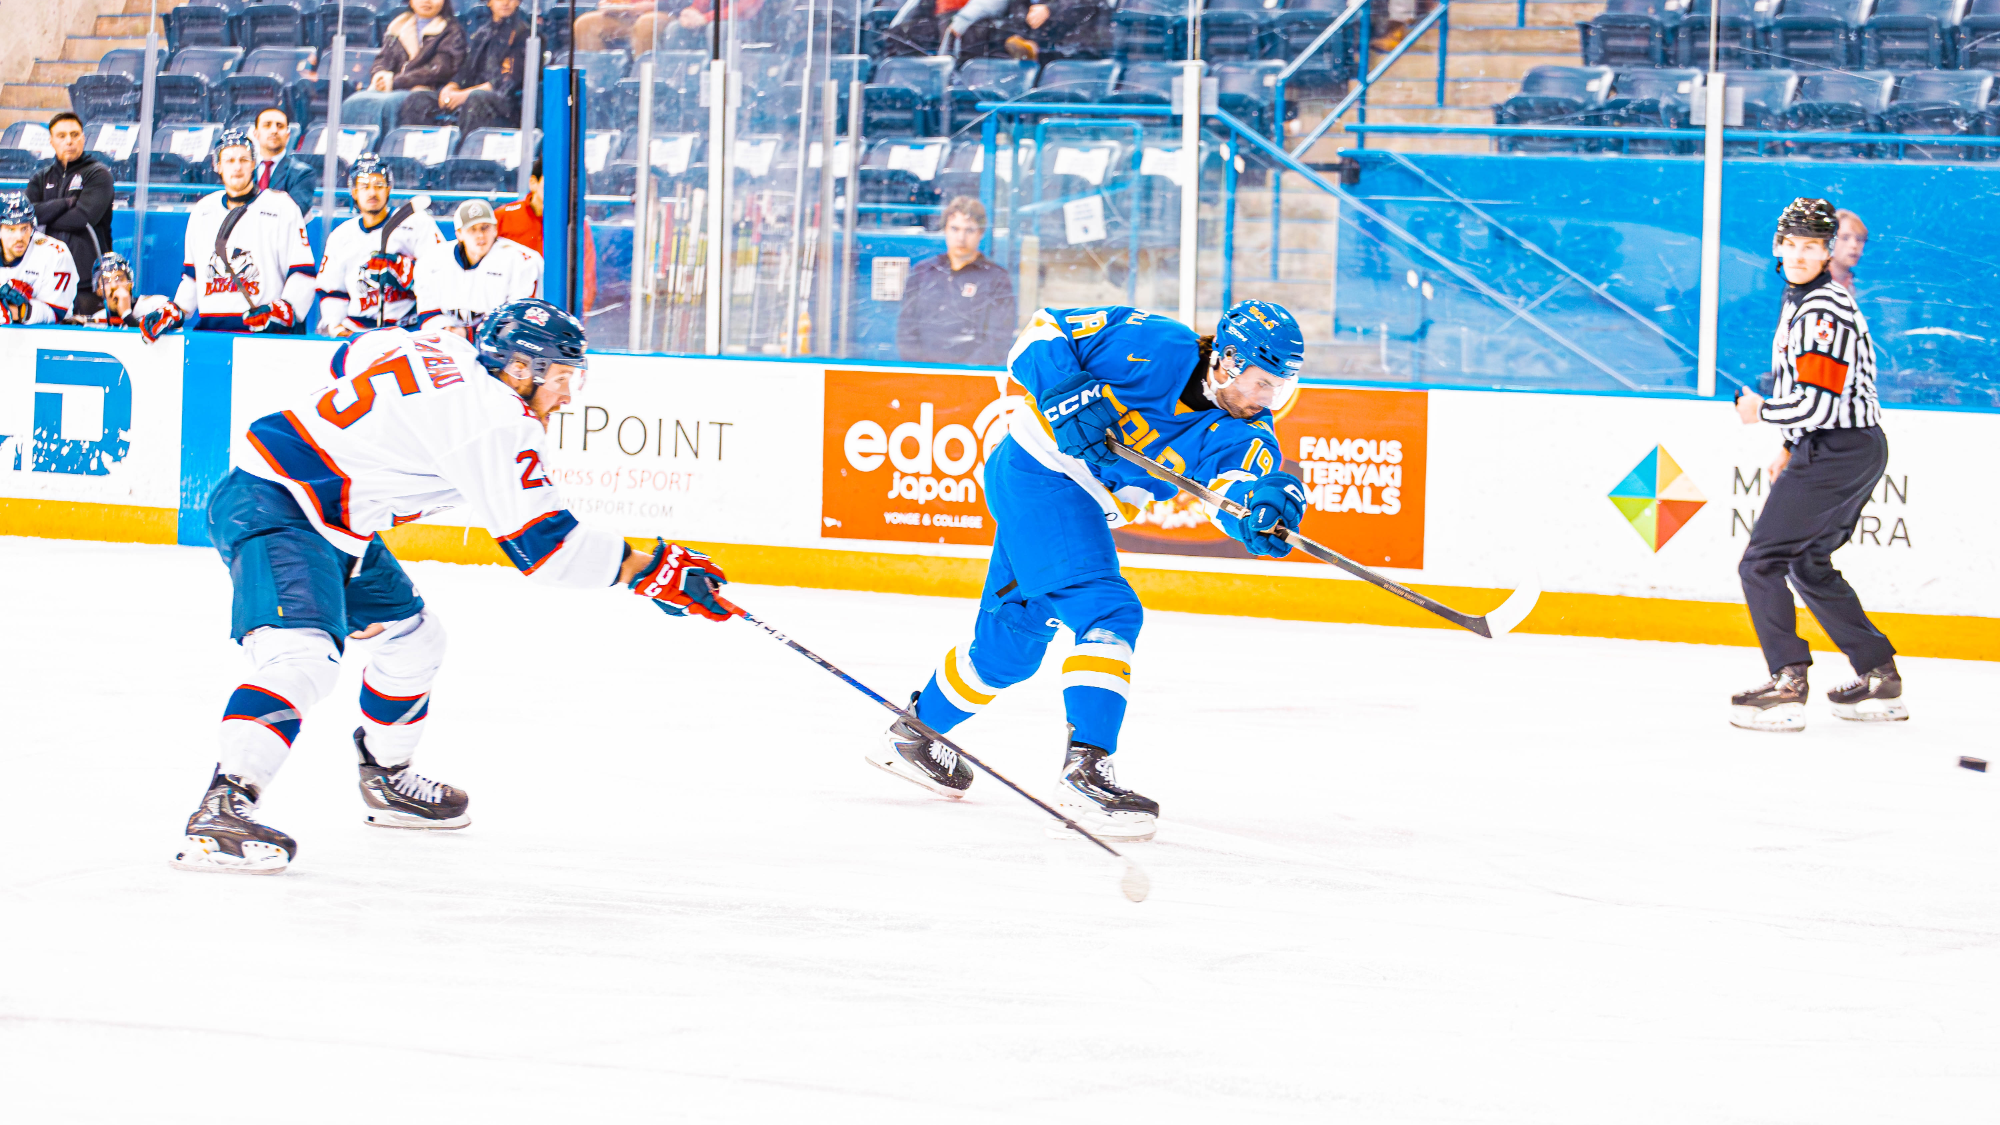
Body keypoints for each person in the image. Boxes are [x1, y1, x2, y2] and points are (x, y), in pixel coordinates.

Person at [172, 299, 740, 874]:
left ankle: (386, 778)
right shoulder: (497, 421)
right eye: (562, 378)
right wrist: (654, 568)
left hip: (333, 518)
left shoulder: (439, 343)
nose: (568, 396)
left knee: (414, 641)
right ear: (520, 368)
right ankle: (223, 807)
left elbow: (350, 356)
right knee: (303, 659)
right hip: (276, 506)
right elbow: (549, 550)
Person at [869, 300, 1307, 841]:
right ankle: (1086, 772)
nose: (1267, 399)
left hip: (1072, 508)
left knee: (1008, 652)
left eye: (1279, 388)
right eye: (1262, 383)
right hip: (1037, 471)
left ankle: (913, 734)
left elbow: (1234, 493)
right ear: (1227, 359)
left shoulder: (1246, 435)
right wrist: (1064, 390)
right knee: (1110, 613)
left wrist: (1263, 510)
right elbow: (1040, 331)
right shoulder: (1151, 341)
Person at [1729, 198, 1902, 733]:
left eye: (1812, 246)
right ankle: (1879, 674)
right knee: (1806, 563)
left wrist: (1762, 413)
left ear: (1828, 253)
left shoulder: (1822, 311)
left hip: (1838, 447)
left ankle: (1787, 681)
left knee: (1761, 563)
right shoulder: (1802, 299)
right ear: (1778, 248)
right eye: (1792, 244)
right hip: (1847, 446)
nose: (1800, 255)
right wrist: (1789, 445)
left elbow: (1818, 403)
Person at [154, 129, 317, 339]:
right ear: (217, 166)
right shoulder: (203, 210)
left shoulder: (282, 206)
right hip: (212, 335)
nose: (237, 167)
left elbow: (302, 275)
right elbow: (193, 278)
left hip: (263, 336)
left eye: (243, 159)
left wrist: (281, 311)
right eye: (229, 160)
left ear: (254, 163)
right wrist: (174, 310)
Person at [316, 154, 447, 335]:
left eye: (379, 185)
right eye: (365, 186)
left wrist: (406, 270)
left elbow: (442, 273)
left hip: (409, 328)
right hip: (357, 329)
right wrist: (335, 325)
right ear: (354, 192)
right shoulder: (340, 236)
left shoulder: (417, 223)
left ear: (388, 188)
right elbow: (332, 289)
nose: (372, 192)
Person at [896, 196, 1015, 367]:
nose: (961, 237)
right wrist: (924, 371)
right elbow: (905, 331)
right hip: (924, 375)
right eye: (955, 229)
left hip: (971, 377)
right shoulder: (923, 272)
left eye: (969, 230)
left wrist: (963, 374)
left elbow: (999, 340)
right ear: (945, 229)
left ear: (981, 233)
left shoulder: (996, 278)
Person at [23, 111, 112, 318]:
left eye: (74, 134)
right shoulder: (40, 178)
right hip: (46, 280)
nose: (69, 141)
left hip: (87, 283)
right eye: (61, 136)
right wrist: (66, 203)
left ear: (83, 138)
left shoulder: (98, 174)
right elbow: (27, 216)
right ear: (51, 141)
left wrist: (44, 213)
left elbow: (82, 218)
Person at [414, 197, 542, 335]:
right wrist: (449, 332)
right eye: (472, 229)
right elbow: (428, 314)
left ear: (495, 229)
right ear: (459, 234)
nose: (480, 235)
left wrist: (468, 334)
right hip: (448, 341)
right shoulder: (431, 261)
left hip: (500, 345)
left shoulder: (522, 261)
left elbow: (519, 319)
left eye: (485, 227)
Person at [399, 0, 530, 134]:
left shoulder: (524, 34)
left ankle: (465, 146)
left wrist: (464, 95)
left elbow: (507, 83)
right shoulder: (482, 33)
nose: (505, 2)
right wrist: (451, 87)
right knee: (417, 99)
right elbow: (466, 69)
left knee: (476, 99)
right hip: (472, 95)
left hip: (505, 104)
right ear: (489, 2)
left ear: (518, 2)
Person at [343, 0, 468, 138]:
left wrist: (395, 82)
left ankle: (388, 148)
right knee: (353, 102)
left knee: (388, 104)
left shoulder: (452, 31)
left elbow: (438, 70)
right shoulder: (398, 26)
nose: (426, 1)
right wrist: (380, 75)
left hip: (426, 91)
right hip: (393, 87)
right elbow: (382, 59)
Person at [494, 156, 596, 312]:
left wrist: (578, 315)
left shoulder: (576, 225)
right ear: (533, 183)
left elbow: (587, 277)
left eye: (563, 184)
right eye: (550, 183)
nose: (557, 190)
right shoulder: (502, 218)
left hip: (557, 311)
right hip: (511, 312)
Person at [0, 191, 79, 325]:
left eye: (24, 228)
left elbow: (56, 313)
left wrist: (17, 311)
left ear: (33, 227)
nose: (19, 237)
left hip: (50, 334)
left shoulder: (55, 254)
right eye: (11, 229)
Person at [65, 251, 171, 328]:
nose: (113, 286)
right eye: (106, 281)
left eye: (119, 279)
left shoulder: (156, 305)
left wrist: (126, 315)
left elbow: (154, 344)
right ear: (98, 290)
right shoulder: (95, 323)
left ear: (130, 283)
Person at [248, 106, 319, 218]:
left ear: (288, 135)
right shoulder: (244, 169)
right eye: (267, 125)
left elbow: (294, 215)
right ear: (255, 134)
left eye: (280, 126)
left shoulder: (303, 174)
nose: (274, 130)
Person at [573, 0, 671, 50]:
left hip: (663, 12)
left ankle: (641, 78)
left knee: (645, 23)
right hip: (626, 15)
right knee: (585, 23)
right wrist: (607, 4)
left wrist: (655, 5)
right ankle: (594, 78)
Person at [1831, 208, 1867, 296]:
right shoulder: (1814, 283)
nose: (1854, 245)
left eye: (1859, 239)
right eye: (1845, 238)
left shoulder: (1861, 285)